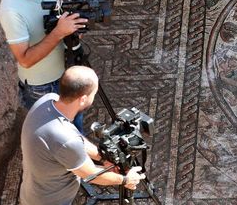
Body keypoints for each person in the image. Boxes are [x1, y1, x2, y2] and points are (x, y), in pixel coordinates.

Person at [20, 66, 145, 205]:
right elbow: (92, 175)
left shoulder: (47, 100)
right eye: (94, 94)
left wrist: (102, 158)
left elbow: (75, 138)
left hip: (33, 192)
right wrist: (126, 179)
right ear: (83, 99)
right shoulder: (66, 139)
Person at [0, 0, 87, 131]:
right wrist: (59, 32)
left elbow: (53, 20)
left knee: (75, 128)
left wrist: (71, 31)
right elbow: (25, 60)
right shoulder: (11, 9)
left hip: (63, 72)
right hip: (42, 88)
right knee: (61, 136)